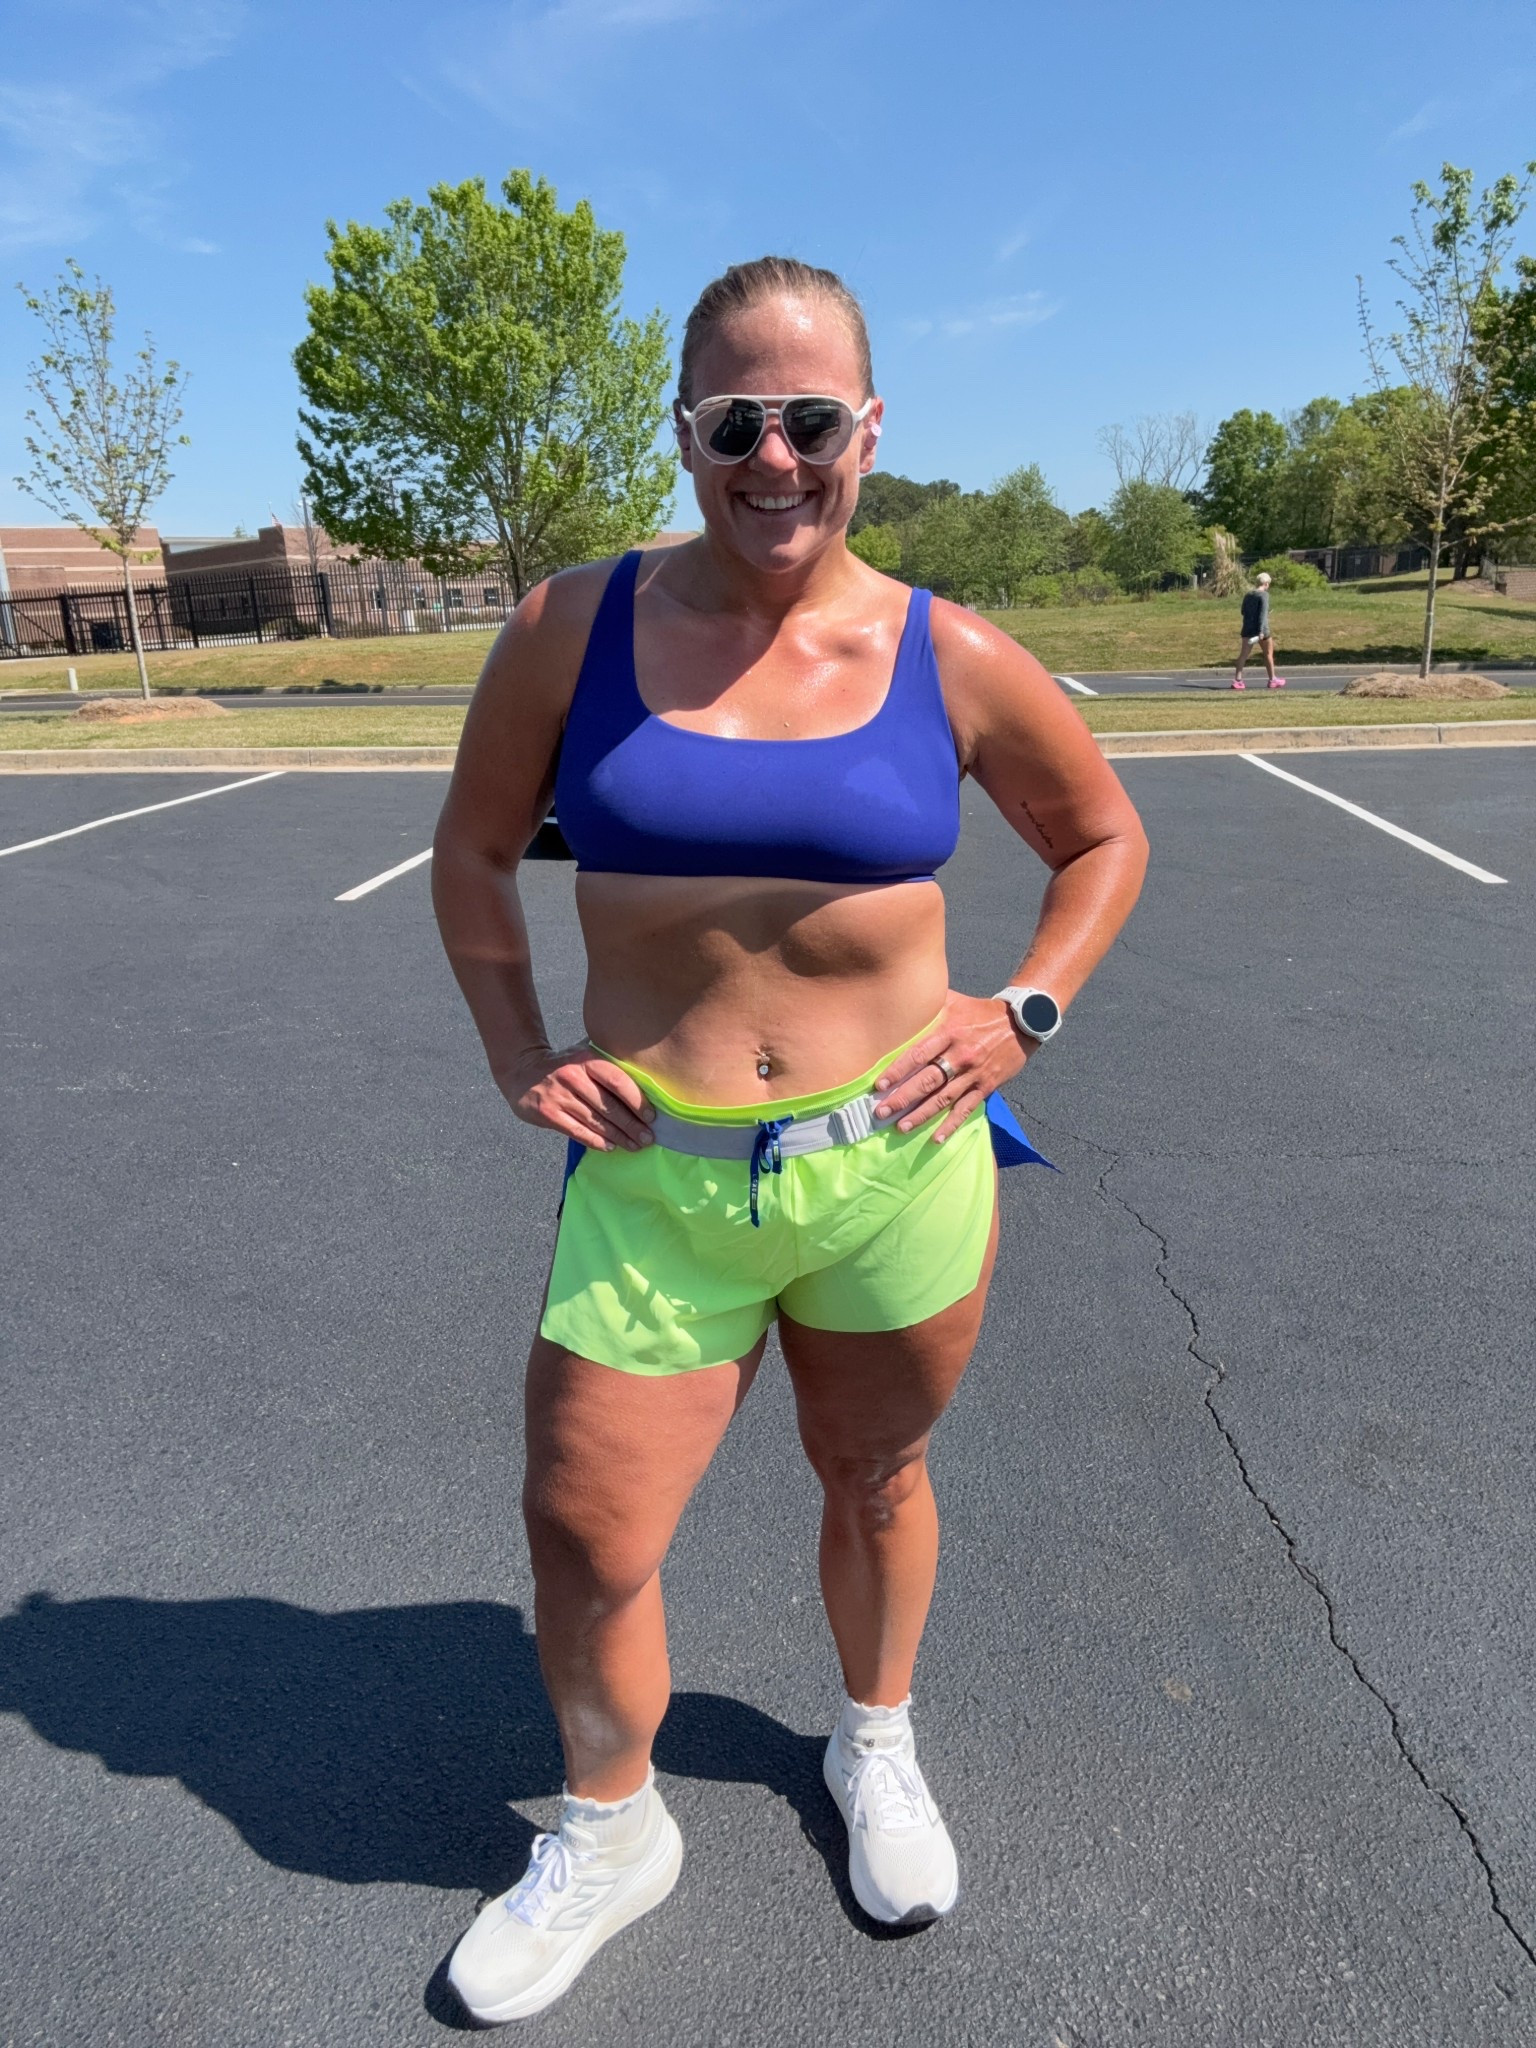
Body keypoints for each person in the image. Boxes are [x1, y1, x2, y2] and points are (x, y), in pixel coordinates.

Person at [431, 255, 1149, 2025]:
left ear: (867, 432)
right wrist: (518, 1050)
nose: (773, 456)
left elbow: (1103, 836)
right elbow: (470, 851)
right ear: (686, 430)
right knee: (584, 1529)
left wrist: (1023, 1010)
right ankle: (612, 1829)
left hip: (894, 1164)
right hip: (656, 1177)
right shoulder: (569, 627)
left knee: (877, 1473)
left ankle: (874, 1743)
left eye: (810, 420)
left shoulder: (944, 650)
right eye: (735, 419)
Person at [1232, 570, 1285, 689]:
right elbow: (1262, 614)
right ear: (1266, 583)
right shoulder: (1264, 595)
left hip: (1247, 628)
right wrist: (1261, 631)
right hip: (1262, 630)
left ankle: (1237, 680)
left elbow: (1243, 611)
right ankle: (1272, 679)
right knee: (1268, 654)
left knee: (1243, 655)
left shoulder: (1248, 595)